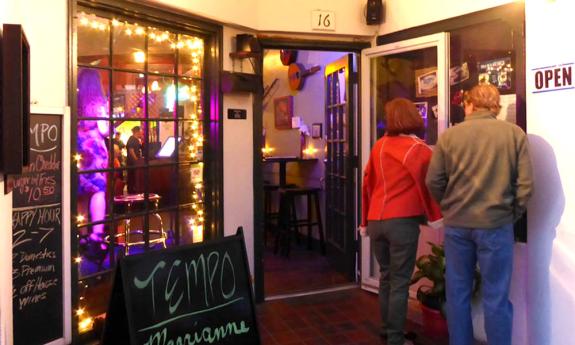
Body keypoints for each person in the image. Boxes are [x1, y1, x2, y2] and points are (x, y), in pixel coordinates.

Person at [425, 84, 533, 345]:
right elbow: (526, 186)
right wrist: (511, 213)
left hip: (458, 226)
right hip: (496, 225)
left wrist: (450, 207)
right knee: (496, 297)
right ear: (496, 106)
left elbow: (433, 181)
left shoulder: (450, 136)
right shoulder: (514, 134)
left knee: (457, 295)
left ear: (468, 104)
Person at [360, 98, 442, 345]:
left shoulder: (379, 146)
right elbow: (433, 183)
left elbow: (367, 183)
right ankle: (395, 339)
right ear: (412, 117)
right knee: (399, 282)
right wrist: (436, 214)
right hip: (402, 223)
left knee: (386, 277)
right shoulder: (418, 149)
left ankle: (387, 330)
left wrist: (365, 218)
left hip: (376, 221)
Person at [77, 68, 109, 262]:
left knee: (81, 192)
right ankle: (96, 236)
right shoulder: (98, 104)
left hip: (79, 151)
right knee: (98, 191)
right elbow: (104, 130)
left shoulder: (75, 100)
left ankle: (82, 236)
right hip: (96, 152)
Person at [126, 125, 143, 193]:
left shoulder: (136, 139)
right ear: (137, 132)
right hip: (131, 162)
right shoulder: (132, 139)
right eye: (141, 131)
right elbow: (131, 150)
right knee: (131, 177)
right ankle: (131, 192)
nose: (141, 133)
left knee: (133, 177)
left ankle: (133, 190)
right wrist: (136, 160)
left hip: (134, 162)